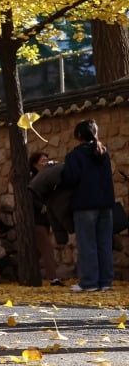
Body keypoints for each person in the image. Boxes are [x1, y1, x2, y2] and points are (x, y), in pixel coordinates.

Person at [61, 119, 116, 293]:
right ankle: (105, 281)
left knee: (87, 244)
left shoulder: (74, 156)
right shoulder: (103, 153)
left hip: (84, 204)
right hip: (105, 204)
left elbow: (70, 179)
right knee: (104, 243)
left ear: (78, 135)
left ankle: (89, 282)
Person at [28, 151, 63, 286]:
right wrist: (41, 206)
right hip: (37, 219)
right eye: (43, 161)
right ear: (35, 164)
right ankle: (53, 278)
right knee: (47, 248)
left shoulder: (48, 178)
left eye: (47, 160)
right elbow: (30, 197)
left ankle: (29, 276)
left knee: (38, 250)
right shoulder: (32, 179)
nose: (46, 163)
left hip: (46, 219)